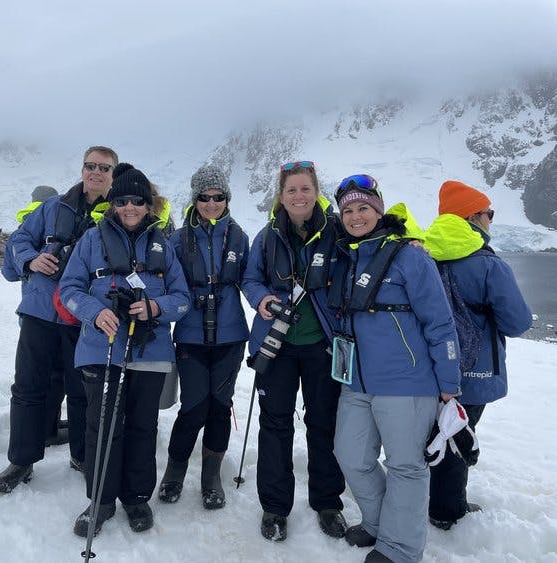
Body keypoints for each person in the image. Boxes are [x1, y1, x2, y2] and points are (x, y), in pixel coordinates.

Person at [328, 174, 461, 563]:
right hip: (356, 382)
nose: (355, 216)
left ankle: (400, 548)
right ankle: (378, 523)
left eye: (363, 208)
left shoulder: (410, 256)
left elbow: (440, 322)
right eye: (348, 210)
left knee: (405, 465)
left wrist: (449, 383)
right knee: (351, 455)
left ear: (379, 209)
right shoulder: (346, 257)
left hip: (408, 382)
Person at [59, 163, 190, 536]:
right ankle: (100, 500)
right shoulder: (91, 240)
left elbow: (182, 299)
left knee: (142, 427)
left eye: (137, 200)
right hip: (103, 348)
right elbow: (68, 289)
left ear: (148, 205)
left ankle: (136, 498)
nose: (130, 207)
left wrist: (154, 307)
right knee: (102, 427)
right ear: (114, 203)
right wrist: (95, 311)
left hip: (150, 350)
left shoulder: (165, 243)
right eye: (123, 200)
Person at [0, 146, 117, 493]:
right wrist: (31, 260)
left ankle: (82, 454)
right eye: (90, 165)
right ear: (82, 169)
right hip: (40, 311)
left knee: (82, 391)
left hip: (83, 316)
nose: (96, 172)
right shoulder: (51, 208)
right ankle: (21, 460)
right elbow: (18, 240)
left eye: (104, 168)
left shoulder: (117, 215)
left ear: (112, 174)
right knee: (29, 386)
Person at [241, 161, 347, 541]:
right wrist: (262, 298)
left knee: (324, 423)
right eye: (291, 190)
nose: (298, 196)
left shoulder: (337, 231)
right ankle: (274, 506)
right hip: (278, 346)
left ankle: (328, 502)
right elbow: (250, 278)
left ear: (316, 191)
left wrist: (413, 239)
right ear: (281, 196)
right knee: (275, 425)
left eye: (305, 189)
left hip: (323, 345)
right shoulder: (266, 236)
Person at [424, 180, 532, 530]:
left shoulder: (422, 253)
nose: (491, 221)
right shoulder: (488, 265)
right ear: (473, 216)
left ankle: (421, 496)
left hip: (428, 369)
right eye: (489, 214)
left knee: (431, 433)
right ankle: (446, 511)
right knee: (458, 437)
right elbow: (517, 322)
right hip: (473, 373)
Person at [158, 165, 249, 509]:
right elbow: (166, 282)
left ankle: (211, 477)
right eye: (204, 197)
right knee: (194, 406)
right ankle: (175, 471)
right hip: (191, 334)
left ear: (227, 198)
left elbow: (251, 279)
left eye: (218, 196)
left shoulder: (239, 236)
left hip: (230, 335)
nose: (211, 203)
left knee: (219, 407)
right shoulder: (179, 239)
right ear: (194, 199)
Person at [2, 185, 70, 447]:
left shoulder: (24, 224)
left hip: (34, 311)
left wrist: (29, 264)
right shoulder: (56, 216)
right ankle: (47, 429)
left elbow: (9, 271)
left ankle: (40, 429)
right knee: (58, 377)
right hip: (62, 313)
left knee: (30, 380)